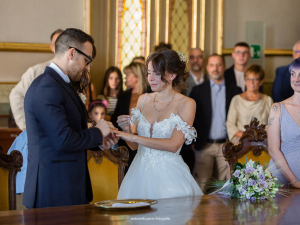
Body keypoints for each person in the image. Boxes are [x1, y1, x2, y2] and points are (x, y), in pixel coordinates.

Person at [23, 28, 118, 208]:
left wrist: (98, 142)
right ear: (72, 53)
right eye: (87, 60)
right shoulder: (48, 88)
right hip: (53, 190)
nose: (88, 67)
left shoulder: (58, 85)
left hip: (66, 187)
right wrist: (98, 132)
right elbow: (62, 139)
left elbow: (70, 133)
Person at [115, 49, 203, 199]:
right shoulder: (143, 99)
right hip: (138, 173)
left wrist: (134, 137)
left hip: (169, 175)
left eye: (156, 73)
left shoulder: (187, 103)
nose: (150, 78)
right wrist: (128, 132)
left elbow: (173, 145)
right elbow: (135, 147)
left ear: (172, 74)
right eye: (148, 73)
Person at [190, 54, 242, 193]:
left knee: (224, 187)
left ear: (224, 67)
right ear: (207, 68)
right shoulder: (197, 91)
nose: (215, 68)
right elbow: (191, 118)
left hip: (227, 146)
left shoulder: (235, 91)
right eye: (212, 65)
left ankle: (223, 215)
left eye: (218, 64)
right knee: (201, 186)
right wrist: (193, 141)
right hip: (204, 145)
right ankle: (198, 215)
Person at [9, 29, 64, 130]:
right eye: (58, 43)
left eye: (65, 43)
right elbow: (16, 95)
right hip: (40, 130)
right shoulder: (35, 71)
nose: (61, 46)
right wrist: (25, 126)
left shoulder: (75, 72)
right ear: (52, 47)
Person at [268, 57, 300, 188]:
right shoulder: (277, 108)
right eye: (293, 74)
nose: (296, 79)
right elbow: (273, 149)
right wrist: (295, 182)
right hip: (282, 180)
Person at [111, 62, 149, 171]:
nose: (125, 78)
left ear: (137, 76)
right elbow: (115, 118)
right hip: (124, 146)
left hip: (145, 144)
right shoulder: (124, 95)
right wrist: (119, 122)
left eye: (127, 75)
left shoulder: (150, 95)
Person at [226, 65, 273, 144]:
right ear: (245, 80)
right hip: (241, 145)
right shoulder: (236, 99)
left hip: (262, 144)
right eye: (248, 79)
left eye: (255, 79)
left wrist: (258, 137)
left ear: (261, 81)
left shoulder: (268, 100)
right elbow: (230, 125)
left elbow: (272, 125)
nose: (251, 82)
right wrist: (248, 137)